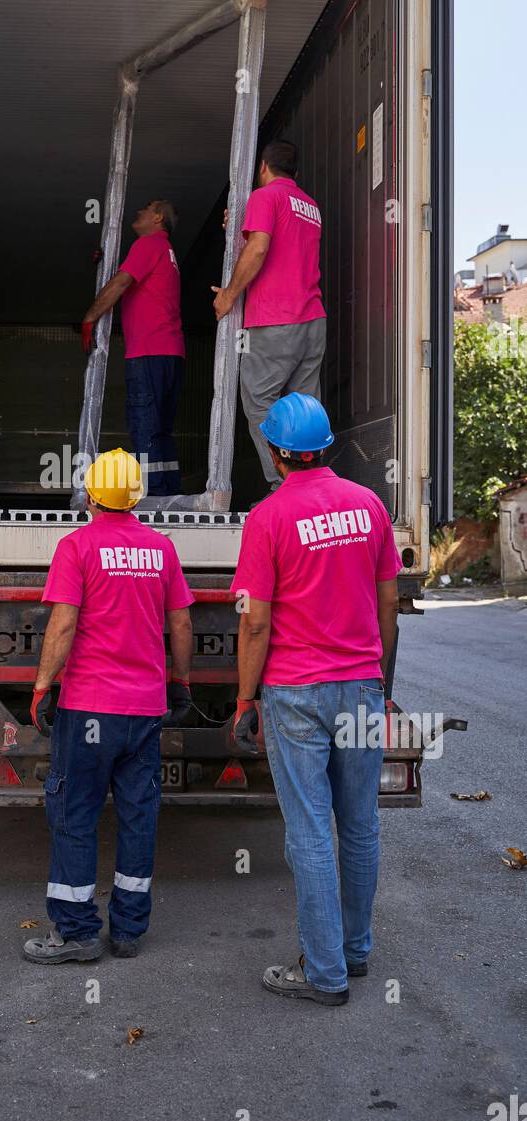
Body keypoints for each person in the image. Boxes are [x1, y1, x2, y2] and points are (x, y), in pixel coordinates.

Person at [229, 393, 401, 1006]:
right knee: (359, 826)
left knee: (308, 833)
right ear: (324, 446)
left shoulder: (268, 519)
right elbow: (388, 608)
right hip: (360, 686)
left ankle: (323, 973)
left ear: (277, 453)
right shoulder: (369, 506)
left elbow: (254, 622)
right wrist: (381, 682)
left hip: (296, 692)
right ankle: (354, 953)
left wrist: (245, 698)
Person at [23, 447, 194, 964]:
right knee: (139, 816)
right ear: (136, 497)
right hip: (144, 710)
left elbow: (64, 622)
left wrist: (42, 686)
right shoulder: (161, 549)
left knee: (76, 815)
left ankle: (75, 933)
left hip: (89, 710)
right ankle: (127, 932)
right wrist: (180, 682)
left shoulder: (77, 547)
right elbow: (181, 623)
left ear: (92, 495)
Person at [212, 141, 325, 493]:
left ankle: (283, 486)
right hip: (313, 320)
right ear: (297, 173)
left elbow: (260, 247)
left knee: (260, 401)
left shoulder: (265, 197)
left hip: (276, 319)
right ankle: (314, 487)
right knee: (305, 410)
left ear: (263, 167)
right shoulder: (310, 205)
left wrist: (229, 295)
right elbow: (279, 247)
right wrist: (238, 229)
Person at [81, 200, 184, 496]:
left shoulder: (148, 245)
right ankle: (167, 494)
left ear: (158, 217)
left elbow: (121, 283)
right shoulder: (166, 251)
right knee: (161, 430)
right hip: (171, 353)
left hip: (149, 352)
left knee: (145, 426)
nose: (139, 211)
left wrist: (90, 316)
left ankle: (151, 500)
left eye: (147, 207)